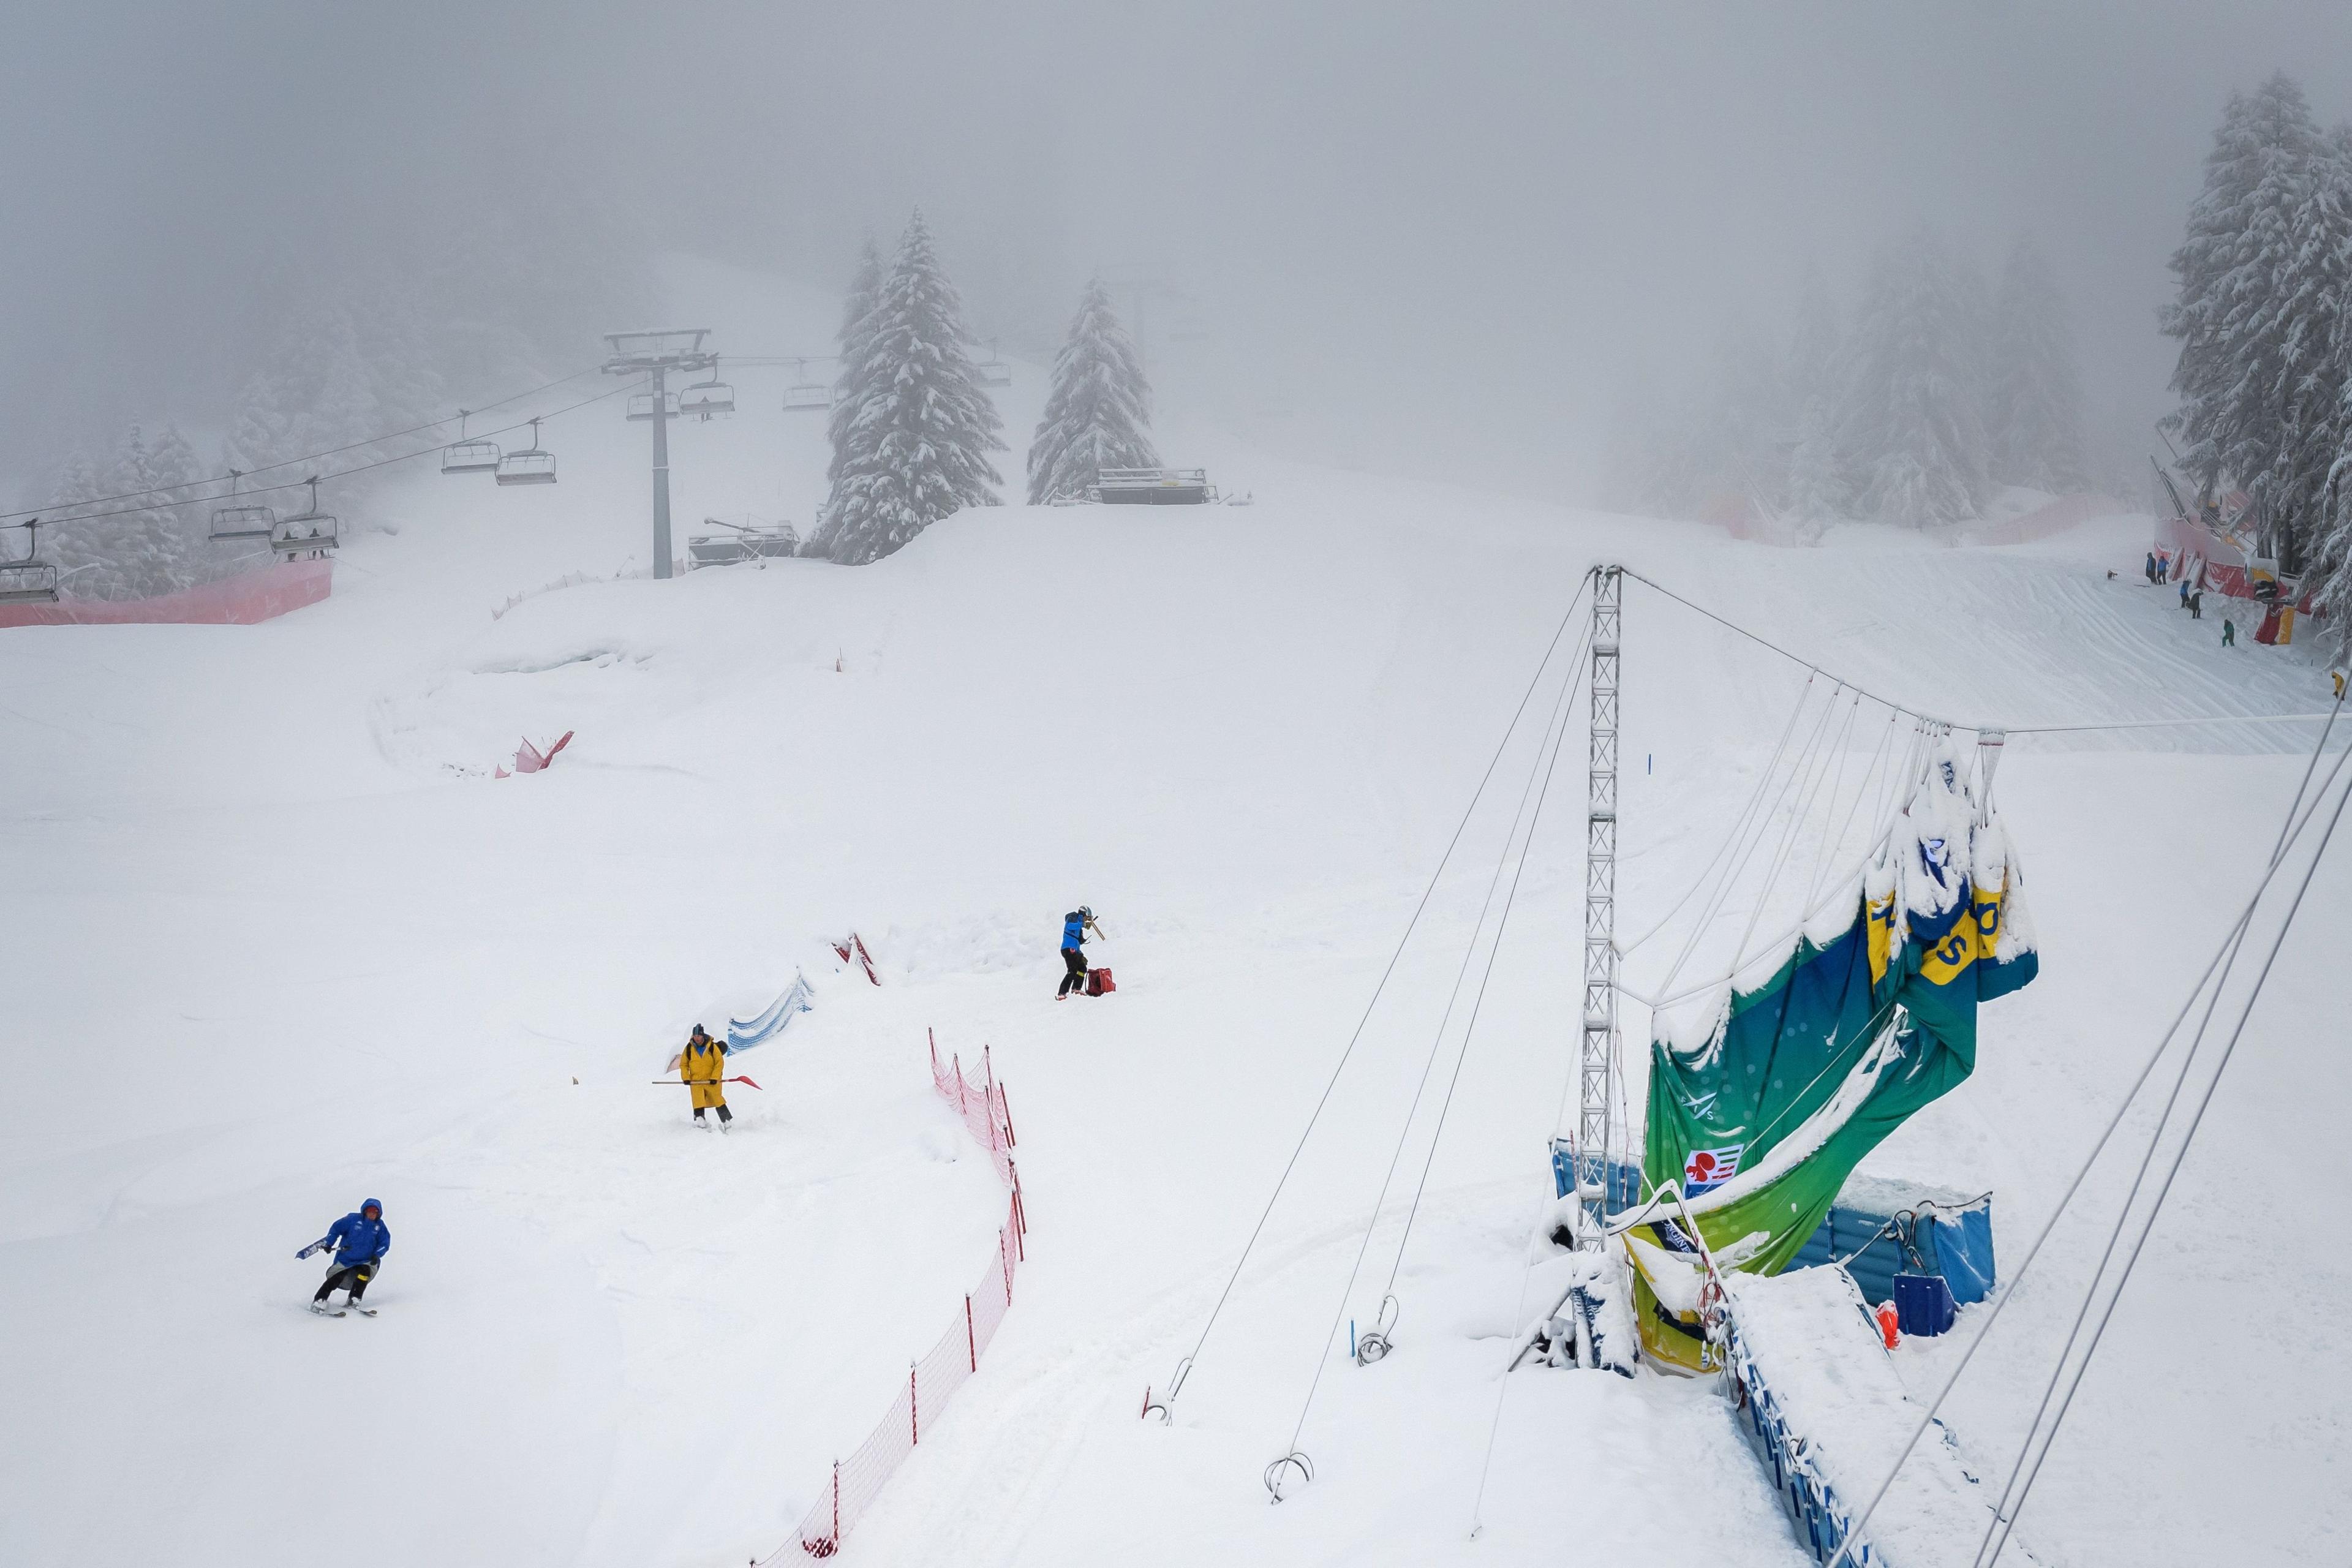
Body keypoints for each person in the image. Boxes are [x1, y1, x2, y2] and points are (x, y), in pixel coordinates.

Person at [311, 1199, 390, 1314]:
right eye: (370, 1211)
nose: (372, 1214)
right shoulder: (352, 1220)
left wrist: (377, 1255)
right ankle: (319, 1300)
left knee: (365, 1273)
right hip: (346, 1260)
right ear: (365, 1211)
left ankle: (354, 1299)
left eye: (375, 1212)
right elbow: (336, 1229)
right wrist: (329, 1243)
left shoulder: (380, 1226)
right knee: (336, 1278)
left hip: (365, 1261)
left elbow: (385, 1243)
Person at [680, 1024, 732, 1130]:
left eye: (699, 1036)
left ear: (703, 1036)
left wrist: (715, 1077)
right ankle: (700, 1123)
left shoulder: (712, 1047)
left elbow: (719, 1063)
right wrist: (686, 1078)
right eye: (695, 1036)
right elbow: (684, 1064)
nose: (697, 1038)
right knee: (698, 1101)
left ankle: (727, 1122)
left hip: (711, 1081)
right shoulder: (689, 1048)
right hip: (696, 1081)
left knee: (718, 1100)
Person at [1057, 905, 1102, 1000]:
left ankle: (1076, 989)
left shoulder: (1079, 929)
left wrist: (1081, 954)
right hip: (1068, 949)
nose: (1087, 920)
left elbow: (1079, 941)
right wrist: (1083, 924)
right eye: (1087, 917)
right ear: (1083, 914)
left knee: (1082, 969)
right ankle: (1062, 993)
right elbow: (1070, 926)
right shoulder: (1073, 918)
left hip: (1074, 950)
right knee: (1072, 971)